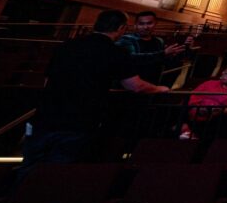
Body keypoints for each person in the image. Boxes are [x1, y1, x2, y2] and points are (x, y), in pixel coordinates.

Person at [21, 10, 168, 171]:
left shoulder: (67, 45)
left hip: (46, 115)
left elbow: (47, 80)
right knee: (59, 169)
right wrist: (159, 89)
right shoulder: (116, 52)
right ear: (121, 28)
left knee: (30, 165)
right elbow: (135, 85)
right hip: (79, 119)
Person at [115, 10, 186, 84]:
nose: (145, 27)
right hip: (131, 84)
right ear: (136, 25)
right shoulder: (127, 39)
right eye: (141, 24)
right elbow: (132, 59)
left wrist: (177, 52)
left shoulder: (159, 41)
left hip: (152, 83)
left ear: (155, 24)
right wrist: (163, 53)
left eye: (149, 23)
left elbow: (163, 61)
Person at [179, 64, 227, 140]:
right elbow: (193, 97)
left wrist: (217, 111)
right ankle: (187, 130)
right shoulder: (209, 83)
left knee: (222, 119)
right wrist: (198, 108)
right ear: (222, 73)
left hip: (220, 113)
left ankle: (194, 134)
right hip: (199, 109)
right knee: (182, 107)